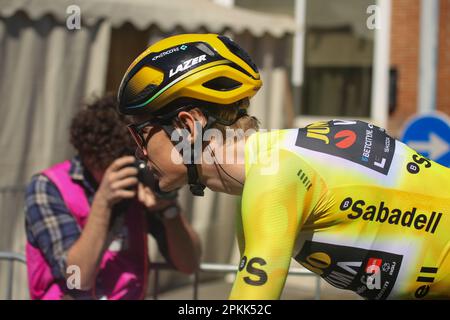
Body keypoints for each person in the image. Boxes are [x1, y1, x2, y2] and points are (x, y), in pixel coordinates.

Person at [116, 33, 450, 300]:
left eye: (141, 133)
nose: (139, 151)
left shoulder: (274, 175)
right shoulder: (268, 173)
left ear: (189, 127)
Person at [24, 94, 201, 300]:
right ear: (89, 156)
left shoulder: (139, 186)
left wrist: (168, 207)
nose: (128, 170)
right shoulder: (48, 187)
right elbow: (77, 279)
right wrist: (103, 204)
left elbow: (189, 264)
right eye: (115, 161)